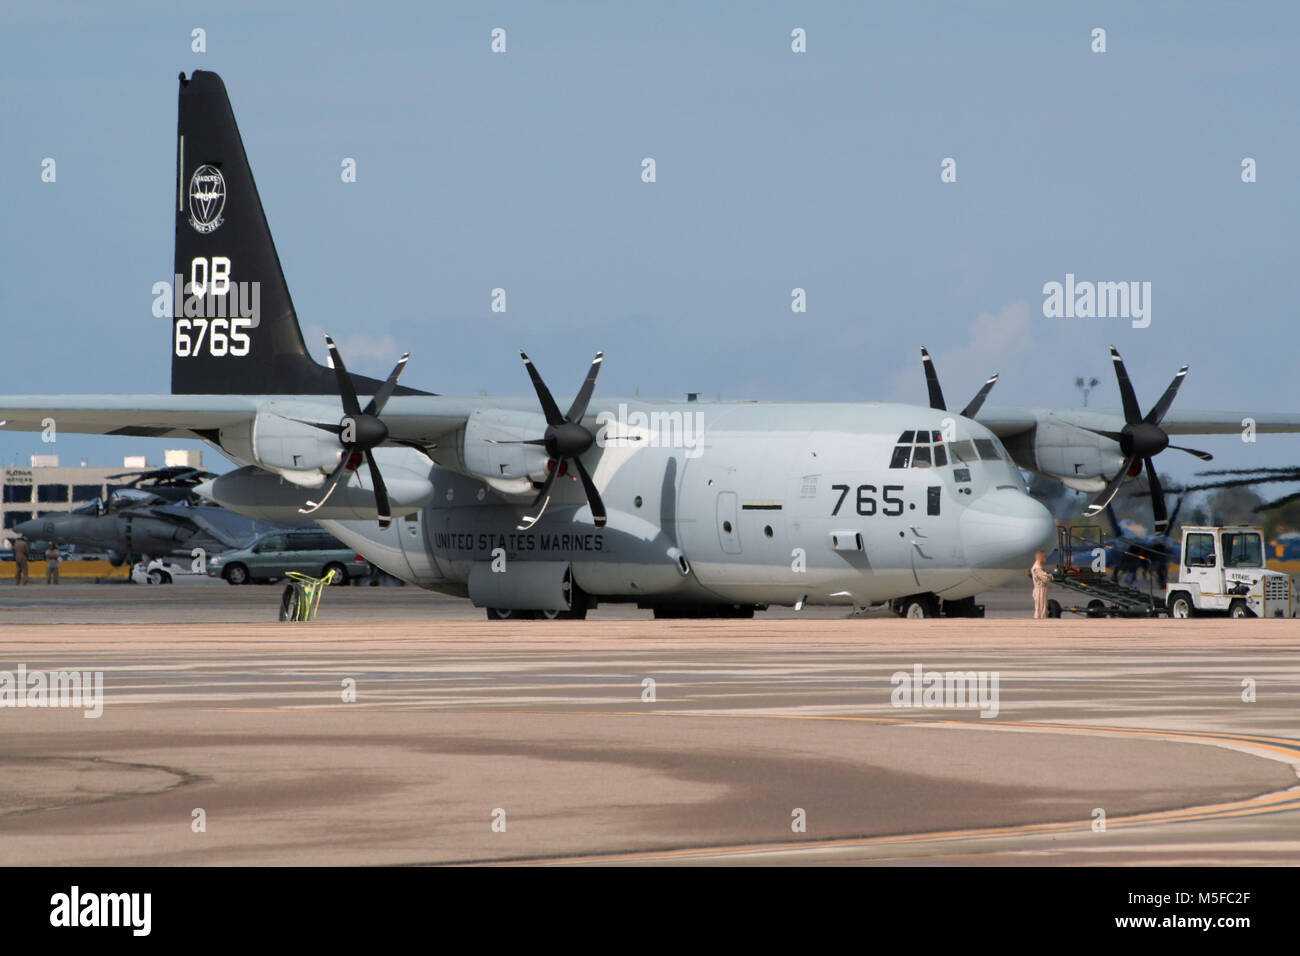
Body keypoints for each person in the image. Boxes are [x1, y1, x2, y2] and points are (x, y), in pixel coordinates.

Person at [1030, 549, 1052, 619]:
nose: (1045, 558)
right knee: (1041, 609)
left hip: (1042, 589)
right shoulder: (1038, 567)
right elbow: (1045, 579)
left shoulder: (1039, 566)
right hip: (1040, 590)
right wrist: (1050, 576)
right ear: (1041, 557)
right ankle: (1039, 623)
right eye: (1044, 557)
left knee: (1043, 608)